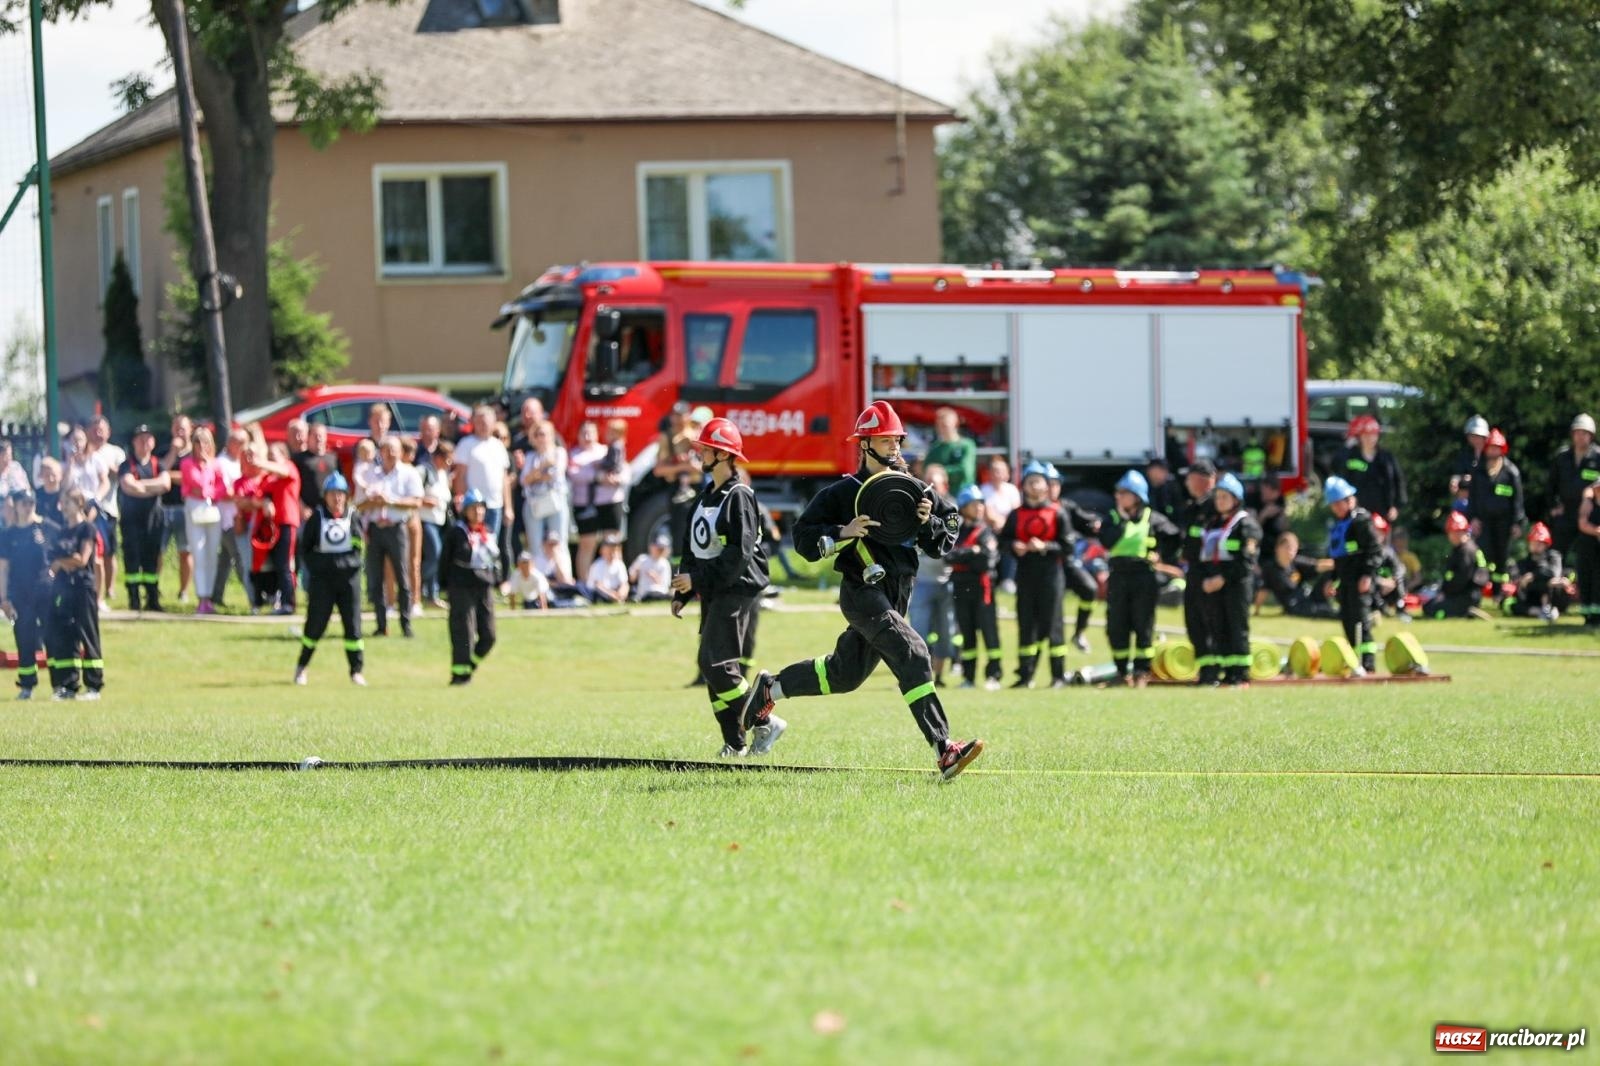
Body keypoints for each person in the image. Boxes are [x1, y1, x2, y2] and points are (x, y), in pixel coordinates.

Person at [743, 402, 983, 781]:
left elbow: (947, 534)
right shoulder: (840, 492)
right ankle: (944, 749)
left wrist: (928, 521)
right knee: (915, 653)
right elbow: (803, 538)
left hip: (898, 593)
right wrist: (842, 531)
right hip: (862, 592)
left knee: (844, 675)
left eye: (896, 439)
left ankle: (770, 690)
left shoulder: (917, 488)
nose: (894, 446)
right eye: (886, 439)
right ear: (864, 444)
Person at [667, 417, 779, 757]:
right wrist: (683, 591)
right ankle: (735, 743)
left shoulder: (739, 495)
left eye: (706, 449)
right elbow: (694, 546)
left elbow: (739, 554)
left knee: (715, 665)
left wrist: (697, 581)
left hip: (737, 589)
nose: (699, 453)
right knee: (714, 668)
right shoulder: (705, 496)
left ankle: (764, 721)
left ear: (724, 456)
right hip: (715, 589)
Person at [1097, 470, 1180, 686]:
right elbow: (1107, 541)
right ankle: (1121, 671)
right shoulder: (1113, 518)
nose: (1119, 497)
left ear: (1137, 496)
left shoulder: (1153, 518)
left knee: (1143, 625)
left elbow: (1174, 537)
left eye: (1124, 493)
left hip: (1144, 577)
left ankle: (1142, 672)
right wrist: (1123, 522)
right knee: (1117, 625)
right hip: (1118, 576)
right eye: (1118, 493)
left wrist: (1162, 555)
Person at [1000, 461, 1073, 688]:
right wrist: (1015, 546)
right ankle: (1025, 676)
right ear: (1024, 486)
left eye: (1038, 481)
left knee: (1053, 624)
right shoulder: (1015, 514)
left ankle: (1058, 676)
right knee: (1026, 624)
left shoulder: (1058, 513)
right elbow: (1003, 542)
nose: (1034, 486)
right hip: (1025, 574)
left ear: (1046, 486)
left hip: (1051, 574)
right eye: (1030, 481)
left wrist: (1045, 547)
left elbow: (1068, 546)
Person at [294, 472, 366, 686]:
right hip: (322, 582)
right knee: (314, 626)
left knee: (353, 626)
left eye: (341, 494)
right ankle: (301, 667)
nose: (337, 499)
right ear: (325, 496)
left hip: (348, 582)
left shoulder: (353, 517)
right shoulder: (317, 518)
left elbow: (358, 547)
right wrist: (323, 565)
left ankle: (356, 671)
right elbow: (305, 549)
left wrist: (342, 564)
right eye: (333, 494)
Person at [1196, 474, 1261, 687]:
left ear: (1236, 499)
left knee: (1236, 627)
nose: (1220, 501)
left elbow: (1246, 561)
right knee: (1219, 628)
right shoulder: (1213, 523)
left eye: (1225, 497)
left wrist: (1223, 578)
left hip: (1235, 585)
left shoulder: (1246, 525)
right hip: (1214, 585)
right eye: (1218, 497)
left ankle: (1241, 674)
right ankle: (1226, 672)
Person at [1314, 476, 1382, 675]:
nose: (1335, 508)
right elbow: (1338, 558)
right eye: (1332, 505)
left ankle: (1367, 664)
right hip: (1345, 581)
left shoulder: (1361, 521)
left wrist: (1368, 575)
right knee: (1347, 620)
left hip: (1360, 580)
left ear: (1349, 499)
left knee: (1361, 621)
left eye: (1338, 503)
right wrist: (1331, 579)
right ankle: (1354, 661)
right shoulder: (1339, 525)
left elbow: (1375, 550)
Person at [357, 436, 422, 637]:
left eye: (394, 450)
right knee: (375, 578)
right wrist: (373, 501)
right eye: (386, 450)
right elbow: (359, 505)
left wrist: (391, 501)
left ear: (401, 452)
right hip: (376, 529)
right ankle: (381, 624)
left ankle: (405, 623)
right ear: (380, 453)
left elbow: (417, 501)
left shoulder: (408, 473)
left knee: (402, 576)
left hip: (397, 528)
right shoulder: (372, 475)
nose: (391, 454)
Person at [44, 488, 102, 700]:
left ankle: (94, 685)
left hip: (82, 587)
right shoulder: (62, 531)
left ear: (78, 504)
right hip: (64, 588)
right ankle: (69, 685)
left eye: (67, 502)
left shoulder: (87, 529)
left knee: (88, 633)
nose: (63, 507)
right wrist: (62, 562)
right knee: (66, 634)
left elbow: (82, 559)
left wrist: (61, 562)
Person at [0, 488, 57, 699]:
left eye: (31, 502)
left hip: (45, 591)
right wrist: (3, 599)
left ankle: (59, 684)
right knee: (24, 639)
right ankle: (27, 686)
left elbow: (61, 554)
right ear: (16, 505)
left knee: (52, 637)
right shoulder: (8, 534)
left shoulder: (46, 527)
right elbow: (3, 569)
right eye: (23, 502)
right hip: (20, 594)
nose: (27, 506)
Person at [947, 485, 1002, 690]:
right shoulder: (957, 533)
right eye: (973, 504)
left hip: (982, 589)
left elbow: (987, 562)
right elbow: (948, 556)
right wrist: (973, 551)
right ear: (963, 507)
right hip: (961, 588)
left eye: (981, 504)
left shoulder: (986, 532)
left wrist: (965, 555)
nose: (979, 508)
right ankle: (968, 677)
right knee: (967, 633)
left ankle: (994, 675)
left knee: (989, 633)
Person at [909, 465, 959, 686]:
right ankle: (920, 677)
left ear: (945, 486)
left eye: (935, 483)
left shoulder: (952, 509)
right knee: (918, 632)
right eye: (926, 482)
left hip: (946, 582)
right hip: (921, 581)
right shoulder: (914, 507)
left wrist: (930, 520)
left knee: (945, 633)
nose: (929, 487)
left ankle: (939, 677)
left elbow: (952, 540)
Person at [443, 490, 499, 684]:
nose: (478, 512)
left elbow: (495, 559)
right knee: (463, 632)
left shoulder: (489, 532)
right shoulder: (457, 532)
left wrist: (499, 579)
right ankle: (459, 675)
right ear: (465, 511)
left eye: (481, 508)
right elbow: (445, 560)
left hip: (484, 586)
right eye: (474, 508)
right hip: (461, 586)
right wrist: (445, 587)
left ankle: (470, 666)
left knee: (489, 635)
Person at [1045, 463, 1102, 653]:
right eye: (1049, 483)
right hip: (1045, 567)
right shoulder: (1032, 510)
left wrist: (1094, 523)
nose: (1053, 488)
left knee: (1089, 589)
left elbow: (1084, 520)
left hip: (1066, 563)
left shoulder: (1066, 506)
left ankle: (1079, 632)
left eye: (1056, 484)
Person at [117, 425, 170, 612]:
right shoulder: (127, 465)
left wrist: (141, 485)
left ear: (153, 442)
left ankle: (153, 598)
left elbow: (165, 484)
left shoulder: (158, 464)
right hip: (131, 519)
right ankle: (134, 599)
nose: (144, 442)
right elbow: (128, 486)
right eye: (140, 439)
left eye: (147, 438)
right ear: (134, 442)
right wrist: (150, 487)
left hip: (153, 519)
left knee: (151, 559)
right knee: (132, 558)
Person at [247, 442, 303, 614]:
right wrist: (264, 502)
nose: (270, 458)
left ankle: (289, 603)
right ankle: (274, 599)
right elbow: (256, 498)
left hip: (286, 522)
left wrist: (260, 463)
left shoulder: (289, 467)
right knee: (273, 565)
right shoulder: (267, 478)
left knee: (285, 564)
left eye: (274, 455)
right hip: (270, 527)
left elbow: (284, 471)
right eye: (268, 455)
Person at [1466, 428, 1524, 591]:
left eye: (1496, 448)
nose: (1493, 451)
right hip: (1484, 522)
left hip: (1504, 522)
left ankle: (1499, 590)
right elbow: (1473, 498)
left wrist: (1517, 523)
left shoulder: (1511, 472)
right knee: (1484, 554)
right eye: (1491, 447)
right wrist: (1474, 518)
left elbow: (1517, 501)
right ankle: (1481, 588)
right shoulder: (1479, 471)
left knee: (1502, 556)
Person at [1177, 459, 1219, 683]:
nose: (1186, 482)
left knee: (1208, 621)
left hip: (1208, 572)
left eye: (1190, 477)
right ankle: (1205, 671)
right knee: (1194, 622)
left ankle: (1213, 671)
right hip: (1193, 572)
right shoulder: (1192, 507)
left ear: (1205, 480)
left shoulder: (1215, 507)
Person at [180, 426, 229, 615]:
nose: (202, 446)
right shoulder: (187, 464)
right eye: (197, 442)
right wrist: (205, 489)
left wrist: (209, 491)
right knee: (198, 553)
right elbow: (193, 484)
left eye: (206, 442)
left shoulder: (216, 464)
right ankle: (201, 596)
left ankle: (209, 597)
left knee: (211, 554)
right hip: (195, 508)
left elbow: (221, 487)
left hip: (212, 509)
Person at [568, 420, 621, 581]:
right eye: (583, 433)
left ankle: (617, 583)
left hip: (610, 501)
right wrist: (598, 476)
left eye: (590, 432)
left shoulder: (607, 450)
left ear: (597, 434)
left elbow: (624, 469)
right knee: (587, 544)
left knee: (613, 543)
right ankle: (585, 584)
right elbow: (574, 474)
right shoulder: (574, 454)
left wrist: (618, 478)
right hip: (585, 504)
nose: (587, 436)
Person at [452, 405, 512, 537]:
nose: (482, 425)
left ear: (493, 423)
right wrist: (461, 498)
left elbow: (504, 479)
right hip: (473, 505)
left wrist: (508, 507)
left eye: (485, 422)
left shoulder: (498, 445)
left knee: (490, 544)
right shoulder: (466, 444)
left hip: (495, 504)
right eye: (479, 422)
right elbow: (460, 475)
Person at [1335, 415, 1406, 524]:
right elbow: (1341, 481)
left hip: (1383, 511)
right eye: (1366, 436)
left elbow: (1398, 481)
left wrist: (1395, 506)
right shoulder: (1350, 457)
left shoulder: (1386, 458)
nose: (1371, 439)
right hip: (1357, 512)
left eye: (1374, 435)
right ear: (1359, 437)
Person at [1546, 413, 1600, 557]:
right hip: (1566, 513)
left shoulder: (1598, 457)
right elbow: (1551, 485)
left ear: (1591, 435)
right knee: (1557, 554)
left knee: (1588, 554)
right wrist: (1553, 506)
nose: (1580, 436)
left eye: (1584, 433)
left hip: (1590, 516)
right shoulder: (1562, 457)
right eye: (1577, 432)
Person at [86, 416, 126, 606]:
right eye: (94, 429)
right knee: (95, 551)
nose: (98, 433)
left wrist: (104, 465)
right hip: (88, 511)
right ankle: (94, 587)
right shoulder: (85, 452)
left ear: (108, 432)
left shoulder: (115, 452)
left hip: (109, 509)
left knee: (110, 552)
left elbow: (122, 475)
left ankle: (110, 588)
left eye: (101, 429)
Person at [213, 426, 253, 611]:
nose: (244, 446)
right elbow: (224, 492)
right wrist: (245, 498)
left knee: (225, 559)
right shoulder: (221, 463)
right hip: (228, 519)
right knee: (240, 557)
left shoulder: (241, 462)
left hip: (240, 517)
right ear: (231, 444)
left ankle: (215, 594)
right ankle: (253, 595)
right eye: (241, 443)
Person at [520, 419, 570, 564]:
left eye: (544, 434)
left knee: (559, 541)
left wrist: (535, 476)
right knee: (535, 545)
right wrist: (543, 466)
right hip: (534, 503)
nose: (541, 438)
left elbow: (555, 474)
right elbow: (524, 480)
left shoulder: (559, 452)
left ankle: (562, 578)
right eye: (537, 435)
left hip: (555, 501)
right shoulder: (530, 456)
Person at [653, 402, 701, 555]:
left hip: (697, 487)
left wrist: (694, 466)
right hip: (676, 489)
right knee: (679, 532)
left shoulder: (696, 436)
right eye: (675, 415)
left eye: (681, 415)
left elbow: (707, 466)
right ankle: (679, 567)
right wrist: (682, 467)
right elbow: (658, 470)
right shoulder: (667, 437)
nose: (678, 419)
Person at [1424, 511, 1490, 619]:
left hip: (1465, 595)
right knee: (1429, 605)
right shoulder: (1463, 549)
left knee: (1432, 609)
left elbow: (1462, 578)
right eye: (1452, 532)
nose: (1453, 536)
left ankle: (1464, 611)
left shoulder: (1466, 551)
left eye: (1457, 532)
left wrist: (1447, 591)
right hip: (1463, 594)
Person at [1256, 531, 1337, 619]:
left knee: (1329, 572)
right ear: (1278, 548)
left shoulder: (1296, 562)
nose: (1290, 551)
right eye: (1287, 547)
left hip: (1309, 597)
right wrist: (1257, 611)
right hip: (1295, 605)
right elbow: (1263, 590)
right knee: (1324, 612)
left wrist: (1340, 565)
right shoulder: (1270, 569)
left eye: (1294, 548)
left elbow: (1318, 565)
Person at [160, 415, 194, 603]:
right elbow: (160, 470)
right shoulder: (165, 451)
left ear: (191, 429)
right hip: (164, 507)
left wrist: (169, 476)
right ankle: (154, 589)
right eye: (176, 428)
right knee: (159, 550)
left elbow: (191, 477)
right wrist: (173, 452)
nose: (179, 431)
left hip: (185, 507)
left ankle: (184, 591)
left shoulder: (195, 453)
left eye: (183, 428)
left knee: (185, 551)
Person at [1507, 523, 1571, 622]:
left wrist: (1533, 575)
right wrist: (1546, 582)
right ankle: (1541, 611)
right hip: (1531, 598)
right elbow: (1523, 584)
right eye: (1534, 543)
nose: (1536, 546)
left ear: (1546, 545)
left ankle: (1548, 609)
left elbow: (1554, 573)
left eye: (1540, 543)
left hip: (1553, 597)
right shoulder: (1522, 563)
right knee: (1515, 606)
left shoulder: (1554, 557)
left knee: (1557, 583)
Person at [419, 440, 453, 608]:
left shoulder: (443, 475)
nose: (448, 464)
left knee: (437, 557)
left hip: (440, 521)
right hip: (425, 520)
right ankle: (417, 584)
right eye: (446, 460)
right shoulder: (424, 471)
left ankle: (432, 594)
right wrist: (426, 501)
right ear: (438, 457)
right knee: (435, 554)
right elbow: (413, 494)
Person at [924, 407, 977, 493]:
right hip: (942, 496)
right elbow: (927, 469)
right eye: (939, 425)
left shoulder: (966, 445)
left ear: (956, 424)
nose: (941, 428)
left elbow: (965, 472)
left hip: (964, 496)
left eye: (945, 425)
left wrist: (942, 471)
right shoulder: (935, 447)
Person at [292, 422, 339, 514]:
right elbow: (292, 487)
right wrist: (301, 507)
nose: (319, 439)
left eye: (321, 436)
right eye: (315, 436)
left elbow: (340, 485)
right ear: (308, 438)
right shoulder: (299, 459)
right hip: (308, 512)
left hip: (330, 511)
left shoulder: (333, 458)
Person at [1370, 514, 1409, 617]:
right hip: (1371, 588)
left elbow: (1399, 568)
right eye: (1374, 531)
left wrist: (1393, 580)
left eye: (1379, 532)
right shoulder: (1363, 553)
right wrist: (1380, 582)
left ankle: (1400, 607)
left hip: (1388, 588)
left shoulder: (1388, 552)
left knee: (1400, 580)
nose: (1376, 535)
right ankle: (1379, 608)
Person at [1450, 415, 1489, 505]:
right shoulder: (1466, 454)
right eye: (1472, 436)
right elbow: (1458, 472)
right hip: (1468, 499)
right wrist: (1455, 481)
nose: (1474, 439)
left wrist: (1474, 479)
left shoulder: (1491, 455)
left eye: (1477, 436)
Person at [1576, 485, 1600, 626]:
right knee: (1586, 580)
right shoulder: (1588, 504)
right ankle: (1587, 615)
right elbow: (1582, 523)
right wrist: (1596, 531)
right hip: (1587, 549)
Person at [581, 534, 630, 604]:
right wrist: (612, 595)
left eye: (615, 549)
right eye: (609, 548)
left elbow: (624, 583)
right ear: (602, 550)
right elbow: (598, 586)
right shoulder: (597, 565)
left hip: (614, 591)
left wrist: (621, 594)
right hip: (598, 592)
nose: (612, 552)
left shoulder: (619, 564)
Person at [629, 533, 675, 603]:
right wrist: (636, 571)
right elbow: (631, 579)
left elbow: (665, 585)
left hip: (659, 592)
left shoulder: (665, 563)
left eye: (661, 549)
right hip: (644, 592)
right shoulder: (642, 559)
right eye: (658, 548)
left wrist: (654, 576)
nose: (659, 550)